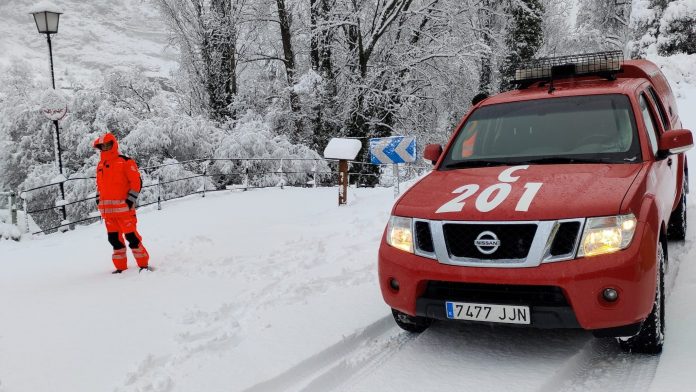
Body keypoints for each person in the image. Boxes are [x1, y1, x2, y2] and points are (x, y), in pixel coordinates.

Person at [93, 133, 150, 274]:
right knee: (114, 240)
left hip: (124, 211)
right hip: (108, 213)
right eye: (102, 146)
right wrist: (98, 199)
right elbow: (99, 185)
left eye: (107, 145)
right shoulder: (100, 164)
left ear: (113, 144)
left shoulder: (125, 161)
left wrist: (130, 200)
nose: (105, 148)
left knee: (132, 238)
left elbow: (136, 182)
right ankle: (120, 268)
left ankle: (143, 265)